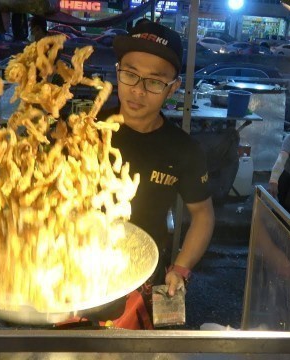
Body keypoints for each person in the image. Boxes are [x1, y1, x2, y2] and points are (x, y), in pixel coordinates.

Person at [99, 22, 215, 325]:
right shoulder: (84, 131)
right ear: (117, 72)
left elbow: (203, 215)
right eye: (130, 74)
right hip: (75, 269)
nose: (138, 90)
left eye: (154, 81)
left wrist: (181, 269)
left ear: (172, 88)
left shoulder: (183, 150)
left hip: (141, 275)